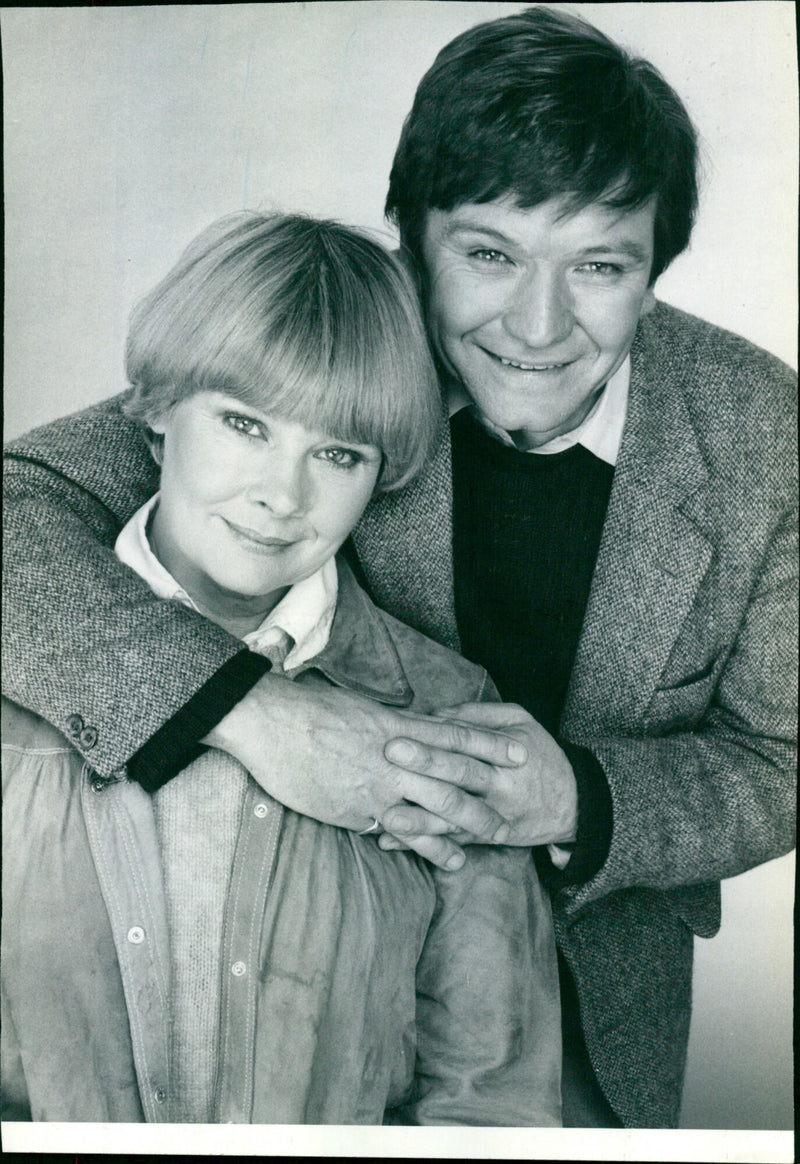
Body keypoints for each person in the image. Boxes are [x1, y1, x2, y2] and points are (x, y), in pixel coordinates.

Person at [2, 4, 795, 1130]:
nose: (535, 322)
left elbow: (782, 752)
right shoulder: (338, 344)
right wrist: (258, 715)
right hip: (321, 961)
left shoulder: (764, 433)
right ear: (409, 237)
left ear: (654, 271)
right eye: (485, 254)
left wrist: (581, 795)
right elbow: (19, 508)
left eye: (598, 267)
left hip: (598, 1001)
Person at [1, 211, 562, 1125]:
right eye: (244, 424)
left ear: (383, 476)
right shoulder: (15, 655)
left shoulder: (445, 708)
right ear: (152, 416)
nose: (282, 494)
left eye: (337, 453)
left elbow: (491, 1101)